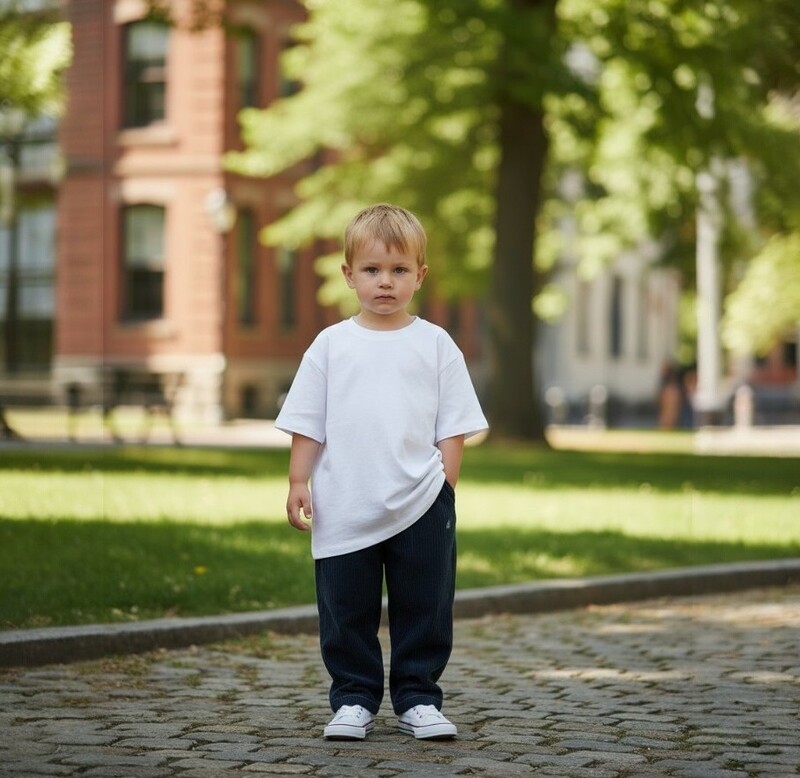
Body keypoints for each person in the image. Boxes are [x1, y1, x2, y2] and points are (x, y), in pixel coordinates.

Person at [275, 203, 488, 741]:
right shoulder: (331, 345)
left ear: (420, 275)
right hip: (345, 500)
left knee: (425, 604)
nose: (385, 282)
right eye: (372, 270)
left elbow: (455, 423)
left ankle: (419, 697)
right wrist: (299, 480)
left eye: (399, 270)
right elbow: (308, 421)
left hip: (422, 499)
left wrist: (444, 485)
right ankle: (354, 698)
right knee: (346, 607)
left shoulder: (436, 344)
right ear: (349, 275)